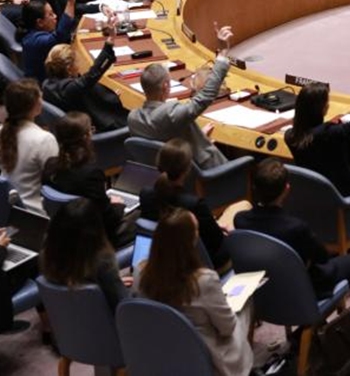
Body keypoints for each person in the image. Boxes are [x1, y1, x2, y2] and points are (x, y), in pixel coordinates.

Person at [136, 209, 254, 376]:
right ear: (190, 240)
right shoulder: (204, 281)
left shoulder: (141, 273)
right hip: (208, 358)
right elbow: (227, 329)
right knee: (245, 303)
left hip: (165, 350)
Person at [234, 158, 350, 296]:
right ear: (286, 189)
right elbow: (322, 257)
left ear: (254, 187)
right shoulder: (296, 228)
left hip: (263, 288)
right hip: (302, 288)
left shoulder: (240, 220)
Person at [128, 24, 235, 168]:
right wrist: (222, 54)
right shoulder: (171, 113)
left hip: (169, 170)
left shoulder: (133, 118)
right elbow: (205, 97)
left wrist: (196, 134)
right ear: (166, 86)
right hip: (206, 172)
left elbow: (167, 134)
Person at [285, 54, 350, 196]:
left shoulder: (290, 136)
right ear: (323, 109)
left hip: (316, 198)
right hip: (347, 197)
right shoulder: (330, 134)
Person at [43, 112, 132, 246]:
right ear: (86, 137)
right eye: (91, 129)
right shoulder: (91, 174)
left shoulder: (50, 165)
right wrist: (118, 205)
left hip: (63, 232)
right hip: (93, 238)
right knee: (139, 216)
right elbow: (108, 219)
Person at [139, 139, 227, 268]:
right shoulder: (195, 204)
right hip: (199, 264)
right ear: (188, 169)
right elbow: (216, 242)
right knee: (239, 208)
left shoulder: (145, 194)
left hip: (161, 260)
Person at [40, 199, 128, 311]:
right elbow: (123, 305)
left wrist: (114, 282)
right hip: (106, 323)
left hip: (66, 321)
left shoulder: (45, 256)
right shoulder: (102, 262)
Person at [42, 21, 128, 133]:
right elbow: (92, 75)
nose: (78, 66)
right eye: (76, 62)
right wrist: (109, 42)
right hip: (101, 130)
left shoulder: (47, 85)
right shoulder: (69, 89)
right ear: (68, 68)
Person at [0, 79, 58, 213]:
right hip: (36, 213)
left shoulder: (3, 132)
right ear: (36, 106)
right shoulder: (44, 139)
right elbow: (56, 181)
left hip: (5, 208)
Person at [21, 0, 76, 82]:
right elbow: (59, 37)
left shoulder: (31, 33)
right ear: (40, 22)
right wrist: (71, 1)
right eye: (50, 14)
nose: (55, 16)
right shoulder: (35, 41)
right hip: (44, 88)